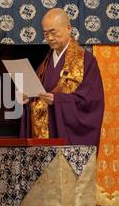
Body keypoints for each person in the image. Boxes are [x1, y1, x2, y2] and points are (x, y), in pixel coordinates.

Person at [19, 8, 104, 147]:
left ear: (68, 28)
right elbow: (40, 95)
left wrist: (58, 100)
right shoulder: (45, 63)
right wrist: (28, 99)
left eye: (53, 32)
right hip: (46, 136)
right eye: (46, 33)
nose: (50, 38)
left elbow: (91, 103)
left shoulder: (86, 61)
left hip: (66, 135)